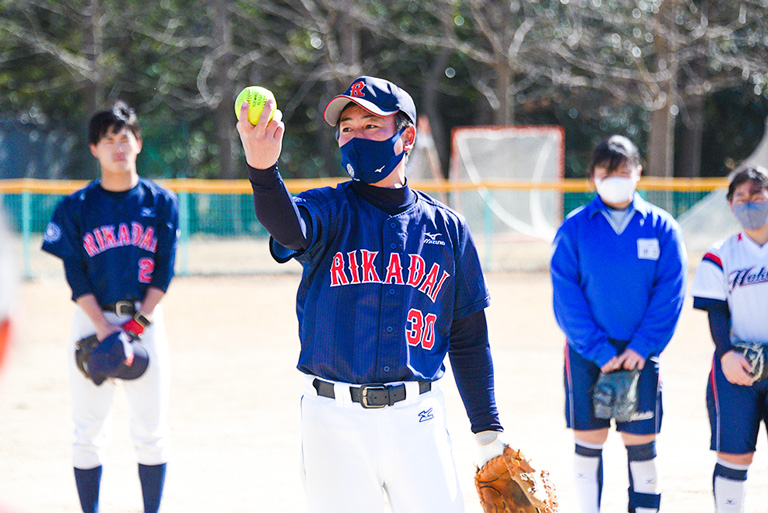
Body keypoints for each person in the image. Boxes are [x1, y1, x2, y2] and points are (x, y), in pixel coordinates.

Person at [236, 76, 505, 513]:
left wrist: (488, 429)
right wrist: (263, 171)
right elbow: (287, 227)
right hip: (333, 418)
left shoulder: (447, 229)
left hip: (417, 418)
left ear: (407, 136)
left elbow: (469, 338)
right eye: (347, 128)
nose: (356, 137)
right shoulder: (327, 209)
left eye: (371, 125)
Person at [41, 101, 179, 513]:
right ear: (94, 149)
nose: (118, 147)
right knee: (87, 430)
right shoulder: (75, 206)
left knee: (151, 431)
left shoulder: (161, 201)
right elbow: (75, 275)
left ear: (138, 143)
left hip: (144, 320)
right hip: (91, 320)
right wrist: (104, 329)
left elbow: (164, 273)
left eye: (125, 138)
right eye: (108, 140)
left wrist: (134, 327)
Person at [549, 135, 687, 513]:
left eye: (624, 171)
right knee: (588, 442)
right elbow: (566, 296)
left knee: (642, 446)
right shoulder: (575, 228)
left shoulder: (662, 227)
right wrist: (598, 350)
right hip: (586, 352)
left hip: (641, 354)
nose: (616, 178)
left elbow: (670, 295)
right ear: (592, 176)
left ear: (639, 172)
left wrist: (641, 347)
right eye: (606, 171)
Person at [690, 165, 768, 513]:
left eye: (757, 195)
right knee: (734, 455)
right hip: (738, 367)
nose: (749, 203)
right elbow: (716, 311)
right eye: (741, 197)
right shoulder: (720, 253)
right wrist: (725, 355)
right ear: (731, 204)